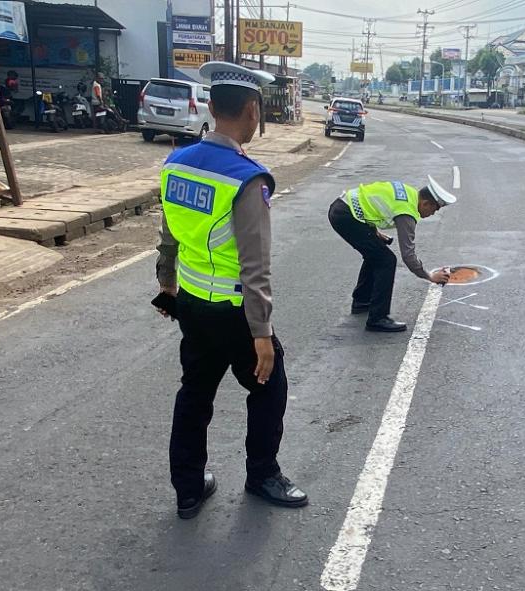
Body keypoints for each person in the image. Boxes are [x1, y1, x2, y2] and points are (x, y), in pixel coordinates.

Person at [155, 61, 308, 520]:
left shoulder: (176, 163)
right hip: (235, 311)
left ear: (210, 106)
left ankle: (187, 489)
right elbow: (255, 263)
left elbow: (169, 233)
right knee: (269, 384)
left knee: (195, 393)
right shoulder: (247, 177)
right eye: (257, 109)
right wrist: (261, 333)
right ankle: (262, 474)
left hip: (191, 304)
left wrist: (167, 284)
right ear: (250, 109)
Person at [328, 178, 456, 332]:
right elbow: (408, 255)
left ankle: (361, 301)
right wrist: (429, 276)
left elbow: (371, 201)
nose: (433, 213)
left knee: (376, 254)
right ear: (425, 203)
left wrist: (375, 232)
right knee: (386, 260)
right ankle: (377, 318)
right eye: (434, 209)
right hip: (347, 217)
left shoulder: (409, 193)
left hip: (342, 207)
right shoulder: (407, 212)